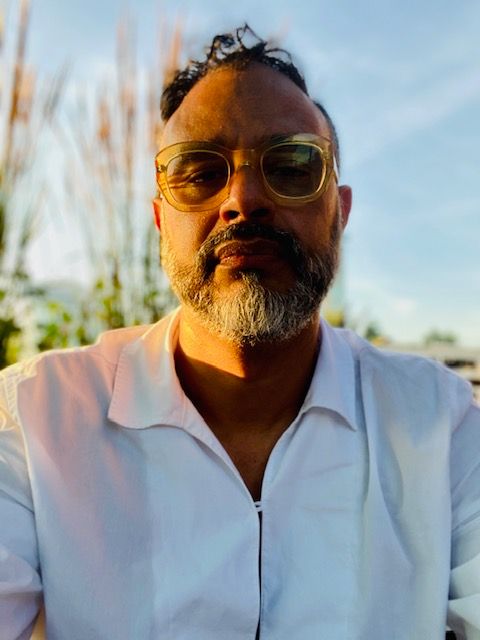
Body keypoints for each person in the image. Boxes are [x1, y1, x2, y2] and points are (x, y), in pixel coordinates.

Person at [1, 24, 479, 640]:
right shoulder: (36, 421)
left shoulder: (440, 426)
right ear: (160, 222)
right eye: (200, 171)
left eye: (293, 165)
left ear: (340, 212)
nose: (244, 199)